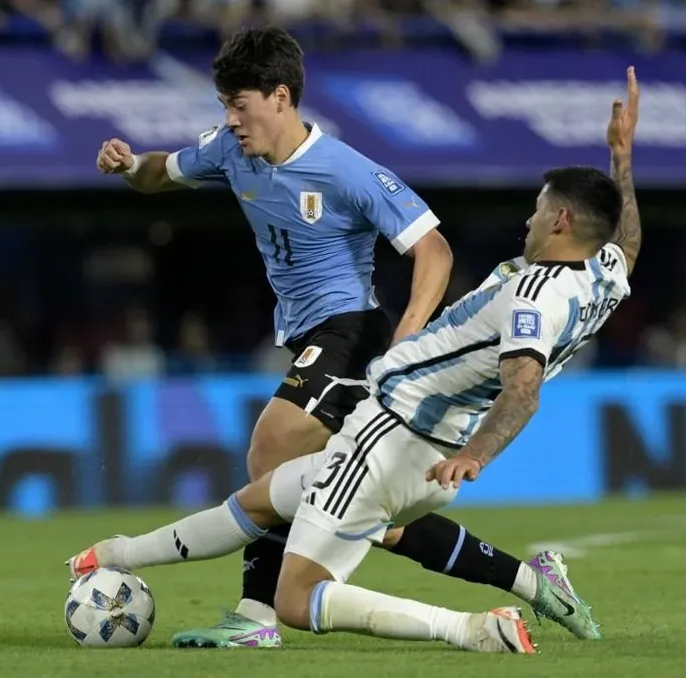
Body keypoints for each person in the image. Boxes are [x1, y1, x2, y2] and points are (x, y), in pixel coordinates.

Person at [70, 67, 643, 651]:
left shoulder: (532, 295)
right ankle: (113, 553)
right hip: (418, 436)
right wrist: (622, 158)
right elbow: (627, 246)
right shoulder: (598, 279)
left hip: (395, 426)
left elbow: (523, 385)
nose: (529, 218)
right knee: (271, 501)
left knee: (294, 571)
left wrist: (475, 453)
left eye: (539, 209)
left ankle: (467, 630)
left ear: (562, 221)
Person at [89, 25, 456, 648]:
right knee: (349, 500)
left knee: (270, 451)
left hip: (352, 330)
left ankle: (257, 617)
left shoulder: (346, 170)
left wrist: (407, 340)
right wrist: (128, 167)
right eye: (225, 106)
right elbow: (160, 173)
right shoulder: (230, 151)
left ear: (281, 98)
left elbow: (435, 251)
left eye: (241, 105)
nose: (231, 120)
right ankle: (525, 579)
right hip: (306, 334)